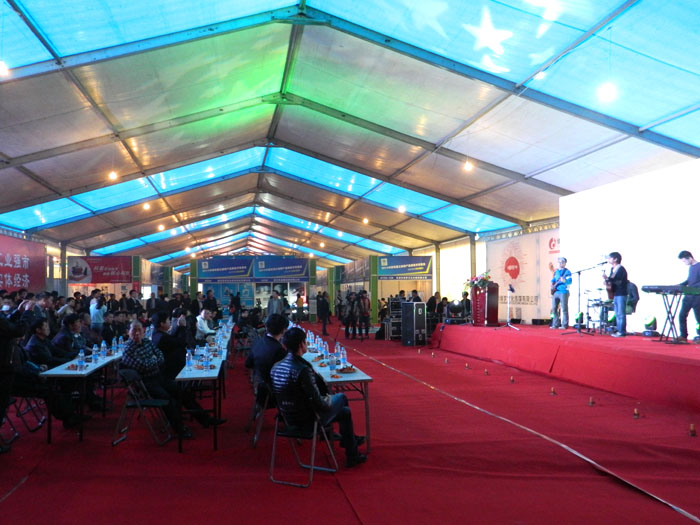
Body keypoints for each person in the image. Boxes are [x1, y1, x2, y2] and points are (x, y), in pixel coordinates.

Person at [270, 327, 366, 468]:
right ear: (302, 344)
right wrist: (329, 399)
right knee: (341, 397)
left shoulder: (276, 367)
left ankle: (351, 447)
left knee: (345, 412)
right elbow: (319, 403)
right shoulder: (303, 369)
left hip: (287, 417)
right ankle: (350, 447)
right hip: (308, 420)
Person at [245, 313, 289, 406]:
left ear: (266, 327)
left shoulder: (257, 342)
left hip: (260, 386)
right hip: (273, 391)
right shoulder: (279, 350)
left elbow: (248, 364)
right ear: (284, 330)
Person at [603, 252, 628, 337]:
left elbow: (619, 281)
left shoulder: (620, 269)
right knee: (617, 313)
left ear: (615, 259)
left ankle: (622, 332)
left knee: (621, 313)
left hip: (621, 293)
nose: (608, 260)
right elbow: (612, 281)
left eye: (610, 258)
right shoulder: (612, 269)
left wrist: (608, 279)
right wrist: (607, 281)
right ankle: (619, 330)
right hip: (616, 293)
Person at [677, 250, 700, 342]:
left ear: (690, 258)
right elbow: (689, 280)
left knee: (698, 317)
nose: (684, 263)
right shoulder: (691, 268)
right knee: (682, 315)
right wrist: (680, 285)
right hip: (688, 295)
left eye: (684, 261)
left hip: (697, 296)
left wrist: (693, 287)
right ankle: (683, 336)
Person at [551, 257, 572, 329]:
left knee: (564, 308)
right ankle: (555, 324)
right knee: (554, 308)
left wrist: (564, 280)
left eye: (562, 262)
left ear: (565, 263)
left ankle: (564, 325)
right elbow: (554, 279)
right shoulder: (556, 271)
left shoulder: (567, 272)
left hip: (564, 291)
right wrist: (552, 283)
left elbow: (570, 281)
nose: (560, 263)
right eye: (559, 262)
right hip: (556, 291)